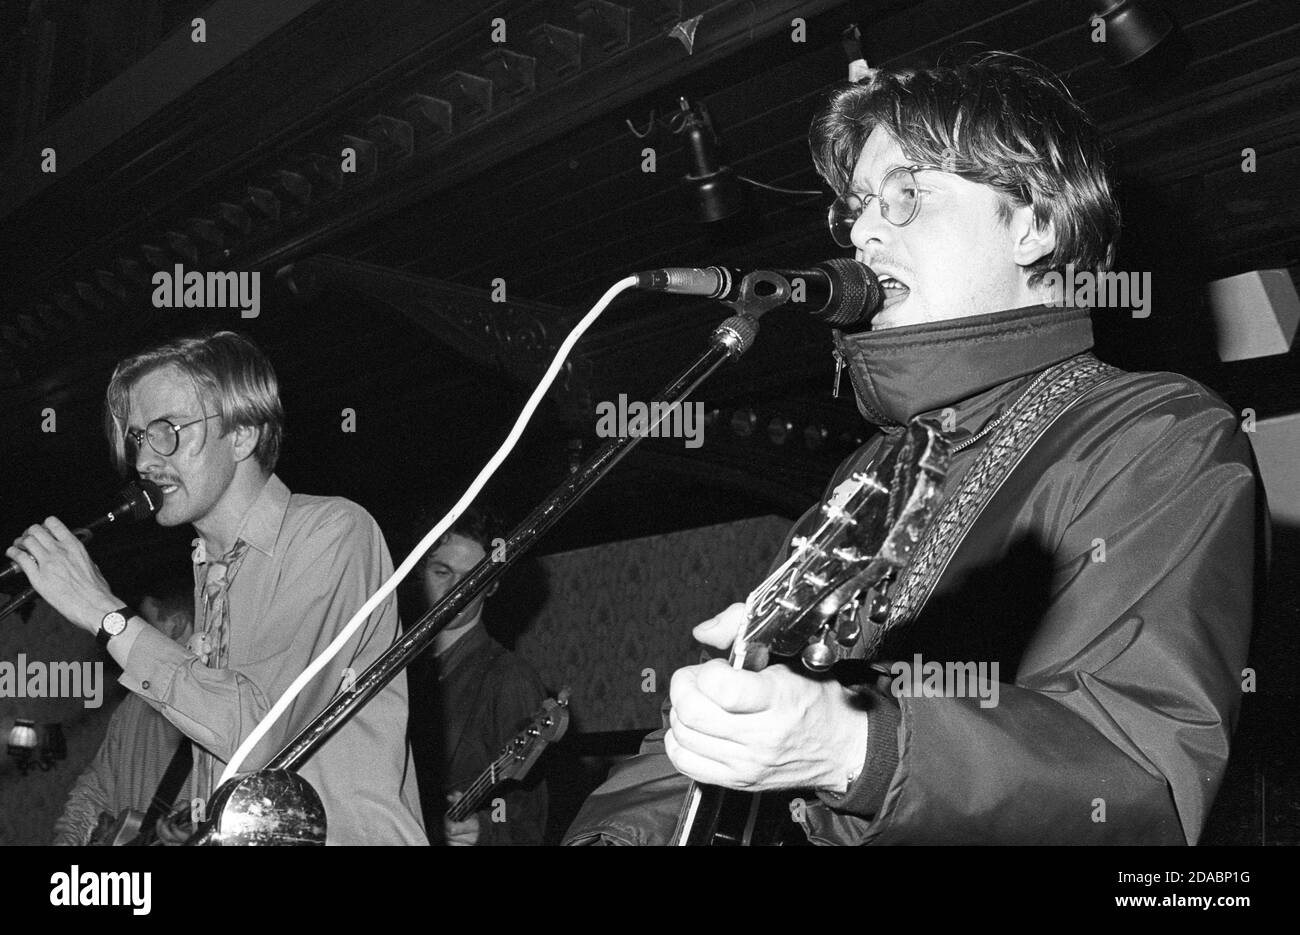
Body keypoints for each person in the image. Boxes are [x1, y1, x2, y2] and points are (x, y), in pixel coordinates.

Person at [564, 52, 1260, 845]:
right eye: (856, 207)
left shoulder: (1157, 433)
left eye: (905, 196)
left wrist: (858, 745)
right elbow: (719, 730)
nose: (861, 230)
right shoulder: (867, 473)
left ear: (1033, 223)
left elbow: (1140, 781)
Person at [7, 331, 427, 845]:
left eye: (168, 430)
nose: (143, 461)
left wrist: (105, 613)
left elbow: (263, 736)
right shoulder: (210, 571)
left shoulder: (333, 531)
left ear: (243, 434)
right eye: (138, 437)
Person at [405, 506, 549, 845]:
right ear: (420, 573)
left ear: (492, 585)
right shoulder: (397, 668)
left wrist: (485, 828)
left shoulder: (510, 677)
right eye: (442, 572)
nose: (457, 591)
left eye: (472, 578)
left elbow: (532, 818)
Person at [53, 581, 196, 845]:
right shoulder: (133, 704)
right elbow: (92, 793)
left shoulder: (234, 709)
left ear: (175, 626)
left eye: (145, 624)